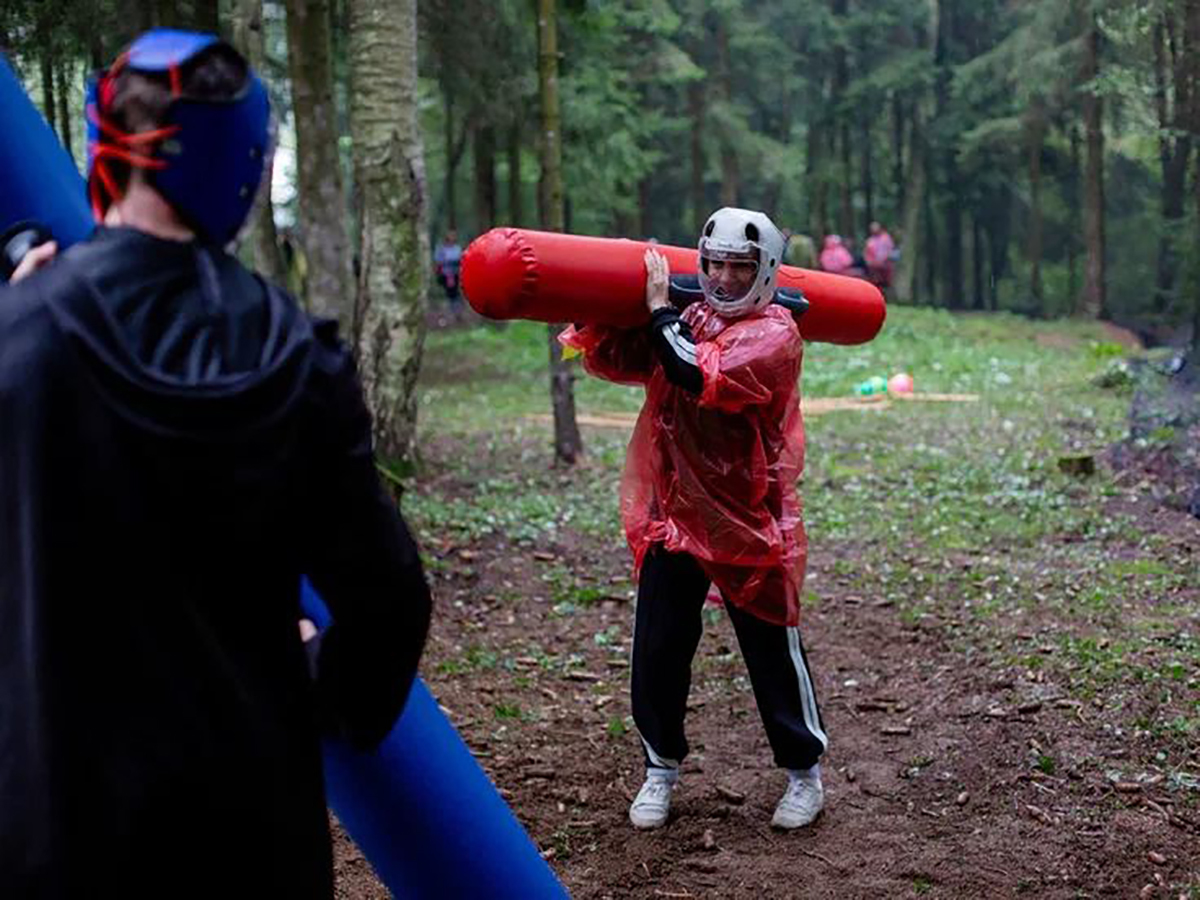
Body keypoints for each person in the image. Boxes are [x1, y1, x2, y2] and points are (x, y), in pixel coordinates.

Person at [0, 30, 431, 897]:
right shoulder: (299, 360)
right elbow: (389, 598)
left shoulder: (21, 336)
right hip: (247, 828)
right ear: (244, 163)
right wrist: (324, 686)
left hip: (51, 824)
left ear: (105, 143)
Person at [561, 207, 827, 832]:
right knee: (658, 647)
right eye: (715, 264)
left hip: (747, 516)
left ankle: (803, 773)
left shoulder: (775, 332)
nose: (724, 278)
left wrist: (657, 309)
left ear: (765, 270)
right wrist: (601, 303)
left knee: (770, 650)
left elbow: (691, 368)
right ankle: (660, 768)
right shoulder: (696, 314)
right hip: (675, 510)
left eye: (740, 266)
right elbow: (631, 358)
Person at [433, 227, 464, 320]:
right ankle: (449, 312)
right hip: (445, 275)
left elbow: (460, 260)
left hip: (455, 274)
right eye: (450, 236)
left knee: (454, 293)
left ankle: (456, 311)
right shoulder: (441, 248)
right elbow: (438, 262)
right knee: (449, 293)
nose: (452, 238)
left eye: (453, 236)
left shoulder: (457, 248)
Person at [864, 220, 896, 289]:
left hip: (885, 264)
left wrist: (882, 260)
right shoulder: (870, 240)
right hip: (873, 265)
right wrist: (869, 261)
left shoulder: (886, 238)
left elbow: (889, 251)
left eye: (875, 228)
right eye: (872, 229)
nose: (874, 230)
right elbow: (867, 253)